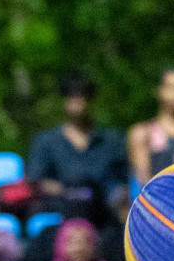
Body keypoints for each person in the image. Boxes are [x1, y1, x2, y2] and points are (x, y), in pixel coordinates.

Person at [27, 71, 129, 226]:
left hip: (103, 215)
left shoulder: (111, 141)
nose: (77, 101)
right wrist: (71, 192)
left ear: (92, 100)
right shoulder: (46, 141)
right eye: (72, 95)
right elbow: (36, 181)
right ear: (64, 100)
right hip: (58, 216)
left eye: (83, 95)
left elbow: (123, 182)